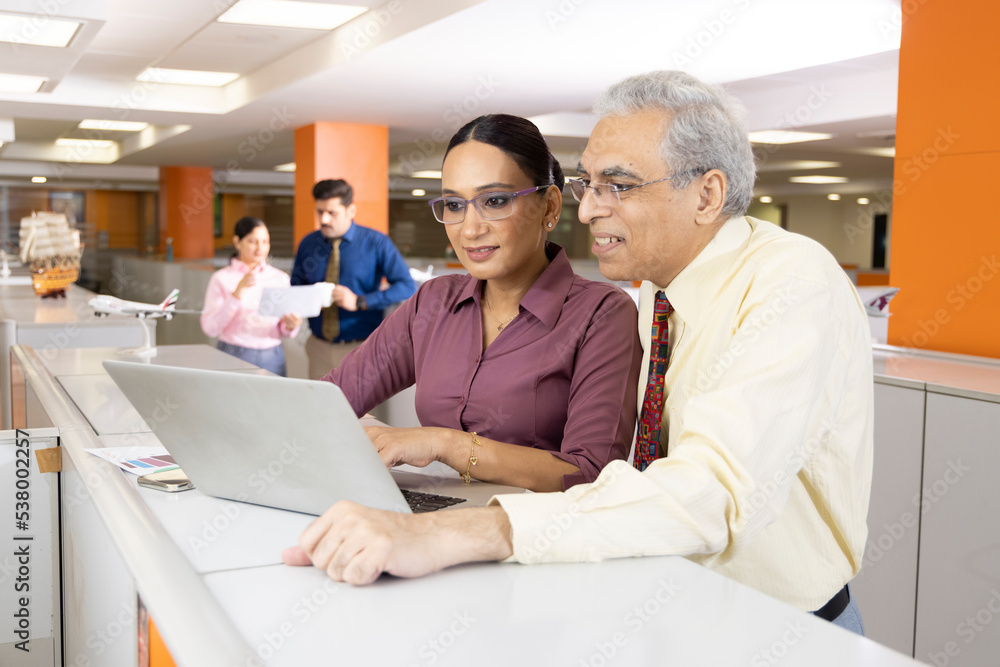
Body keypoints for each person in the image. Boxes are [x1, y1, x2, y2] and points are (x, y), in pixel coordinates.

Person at [283, 71, 874, 635]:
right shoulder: (655, 293)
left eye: (617, 185)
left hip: (776, 629)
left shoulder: (792, 282)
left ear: (708, 193)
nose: (587, 208)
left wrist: (452, 533)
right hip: (662, 599)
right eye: (588, 184)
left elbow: (709, 493)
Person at [322, 114, 642, 492]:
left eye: (494, 200)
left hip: (530, 536)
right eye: (455, 205)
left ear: (550, 207)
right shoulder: (434, 302)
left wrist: (444, 444)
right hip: (432, 516)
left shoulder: (602, 314)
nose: (470, 229)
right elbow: (330, 401)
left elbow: (592, 473)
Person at [291, 179, 417, 380]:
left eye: (332, 213)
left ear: (351, 211)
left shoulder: (376, 242)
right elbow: (296, 288)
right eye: (319, 211)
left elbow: (407, 286)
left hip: (361, 348)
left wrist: (360, 301)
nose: (323, 219)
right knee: (318, 410)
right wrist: (306, 303)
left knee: (357, 412)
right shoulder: (308, 244)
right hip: (318, 348)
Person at [201, 216, 301, 376]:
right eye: (253, 241)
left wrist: (291, 325)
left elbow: (283, 327)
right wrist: (236, 295)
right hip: (232, 354)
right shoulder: (221, 278)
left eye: (265, 242)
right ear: (237, 242)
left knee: (273, 401)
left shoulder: (280, 278)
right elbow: (210, 328)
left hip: (272, 356)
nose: (260, 248)